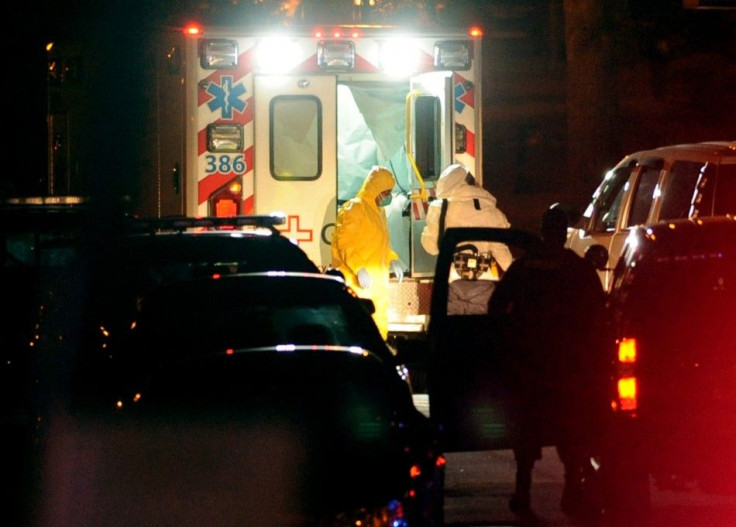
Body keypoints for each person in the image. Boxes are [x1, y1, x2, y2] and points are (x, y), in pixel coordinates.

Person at [487, 204, 607, 519]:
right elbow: (599, 313)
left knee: (527, 430)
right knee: (572, 429)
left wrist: (510, 339)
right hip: (568, 367)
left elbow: (496, 306)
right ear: (564, 232)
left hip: (530, 365)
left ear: (542, 230)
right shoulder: (578, 269)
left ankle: (523, 491)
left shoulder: (524, 268)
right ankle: (572, 489)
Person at [421, 163, 514, 314]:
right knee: (479, 332)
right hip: (484, 281)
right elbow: (501, 252)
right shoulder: (492, 211)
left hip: (452, 281)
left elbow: (430, 248)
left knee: (454, 333)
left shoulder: (440, 208)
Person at [331, 165, 404, 340]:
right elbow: (345, 242)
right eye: (385, 192)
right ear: (375, 189)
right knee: (357, 327)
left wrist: (393, 259)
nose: (387, 197)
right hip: (357, 283)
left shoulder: (378, 211)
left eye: (389, 192)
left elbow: (381, 244)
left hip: (376, 284)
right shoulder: (355, 208)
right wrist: (359, 268)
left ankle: (379, 359)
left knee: (378, 326)